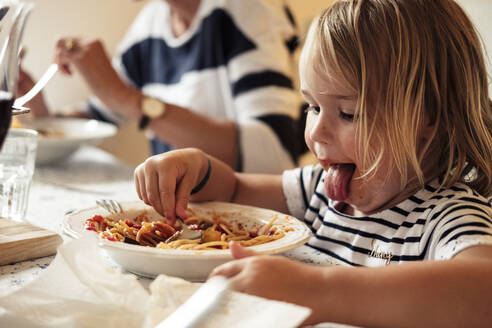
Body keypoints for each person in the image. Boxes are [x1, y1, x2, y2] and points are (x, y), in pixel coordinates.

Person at [133, 0, 492, 326]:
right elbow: (237, 190)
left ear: (429, 117)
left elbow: (483, 293)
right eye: (312, 107)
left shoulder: (446, 217)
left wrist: (318, 289)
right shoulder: (319, 191)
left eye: (348, 113)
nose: (317, 132)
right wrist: (195, 168)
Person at [17, 0, 304, 173]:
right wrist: (38, 111)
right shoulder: (151, 23)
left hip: (243, 228)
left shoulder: (250, 10)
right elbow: (100, 114)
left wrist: (126, 98)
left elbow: (275, 154)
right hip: (179, 219)